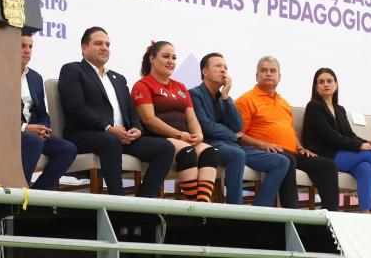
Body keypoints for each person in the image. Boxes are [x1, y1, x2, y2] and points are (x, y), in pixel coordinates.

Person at [58, 27, 175, 197]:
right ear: (84, 48)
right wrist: (107, 127)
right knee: (110, 141)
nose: (104, 47)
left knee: (166, 148)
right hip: (88, 134)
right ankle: (118, 202)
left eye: (107, 44)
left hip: (122, 137)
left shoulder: (118, 78)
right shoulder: (73, 70)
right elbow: (75, 107)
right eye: (98, 43)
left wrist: (137, 128)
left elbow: (130, 110)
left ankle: (143, 203)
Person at [302, 67, 371, 216]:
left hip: (338, 154)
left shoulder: (339, 109)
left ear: (336, 84)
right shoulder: (314, 107)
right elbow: (330, 136)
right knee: (370, 155)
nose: (326, 84)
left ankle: (365, 212)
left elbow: (349, 134)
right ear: (316, 87)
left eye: (329, 81)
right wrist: (362, 146)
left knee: (366, 168)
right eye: (321, 82)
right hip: (323, 156)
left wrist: (367, 142)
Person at [235, 56, 339, 211]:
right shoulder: (246, 100)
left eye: (272, 71)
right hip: (263, 151)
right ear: (257, 76)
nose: (268, 73)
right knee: (288, 159)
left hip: (291, 151)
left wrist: (301, 148)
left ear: (279, 77)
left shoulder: (283, 102)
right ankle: (292, 213)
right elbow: (238, 135)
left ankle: (331, 217)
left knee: (327, 165)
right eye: (263, 71)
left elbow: (291, 131)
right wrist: (263, 144)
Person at [190, 53, 289, 206]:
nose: (223, 70)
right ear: (205, 72)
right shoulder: (194, 94)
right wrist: (232, 135)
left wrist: (226, 96)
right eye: (218, 66)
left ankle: (258, 211)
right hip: (212, 145)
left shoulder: (223, 98)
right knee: (237, 154)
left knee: (282, 162)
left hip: (234, 146)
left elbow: (238, 126)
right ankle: (235, 210)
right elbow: (206, 126)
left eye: (225, 67)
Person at [131, 41, 220, 202]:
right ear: (152, 59)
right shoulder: (142, 85)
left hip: (183, 138)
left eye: (174, 57)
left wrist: (198, 134)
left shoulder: (180, 87)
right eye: (166, 57)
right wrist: (178, 135)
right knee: (187, 152)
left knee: (211, 152)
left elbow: (191, 117)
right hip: (160, 139)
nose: (171, 61)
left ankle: (203, 207)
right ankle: (194, 208)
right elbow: (148, 119)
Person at [20, 32, 78, 190]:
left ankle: (37, 195)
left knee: (68, 149)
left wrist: (43, 128)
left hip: (34, 132)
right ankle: (19, 192)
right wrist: (25, 128)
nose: (27, 51)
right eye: (22, 46)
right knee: (34, 141)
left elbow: (42, 113)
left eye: (30, 47)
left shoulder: (35, 78)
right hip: (12, 131)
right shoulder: (0, 73)